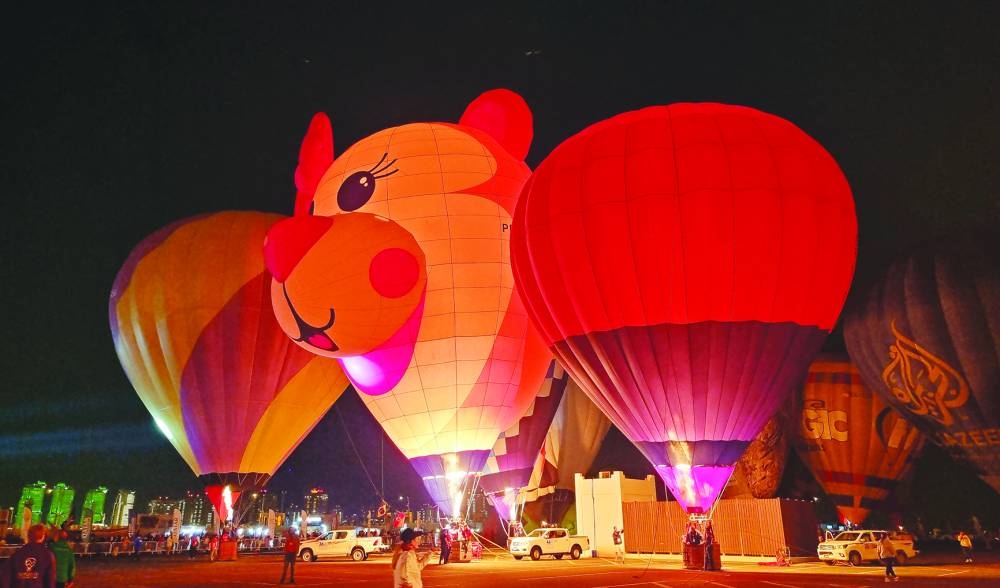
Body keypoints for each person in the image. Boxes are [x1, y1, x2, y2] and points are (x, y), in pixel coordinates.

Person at [7, 524, 55, 588]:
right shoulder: (48, 555)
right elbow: (50, 580)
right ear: (43, 537)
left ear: (28, 536)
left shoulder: (17, 553)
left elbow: (7, 576)